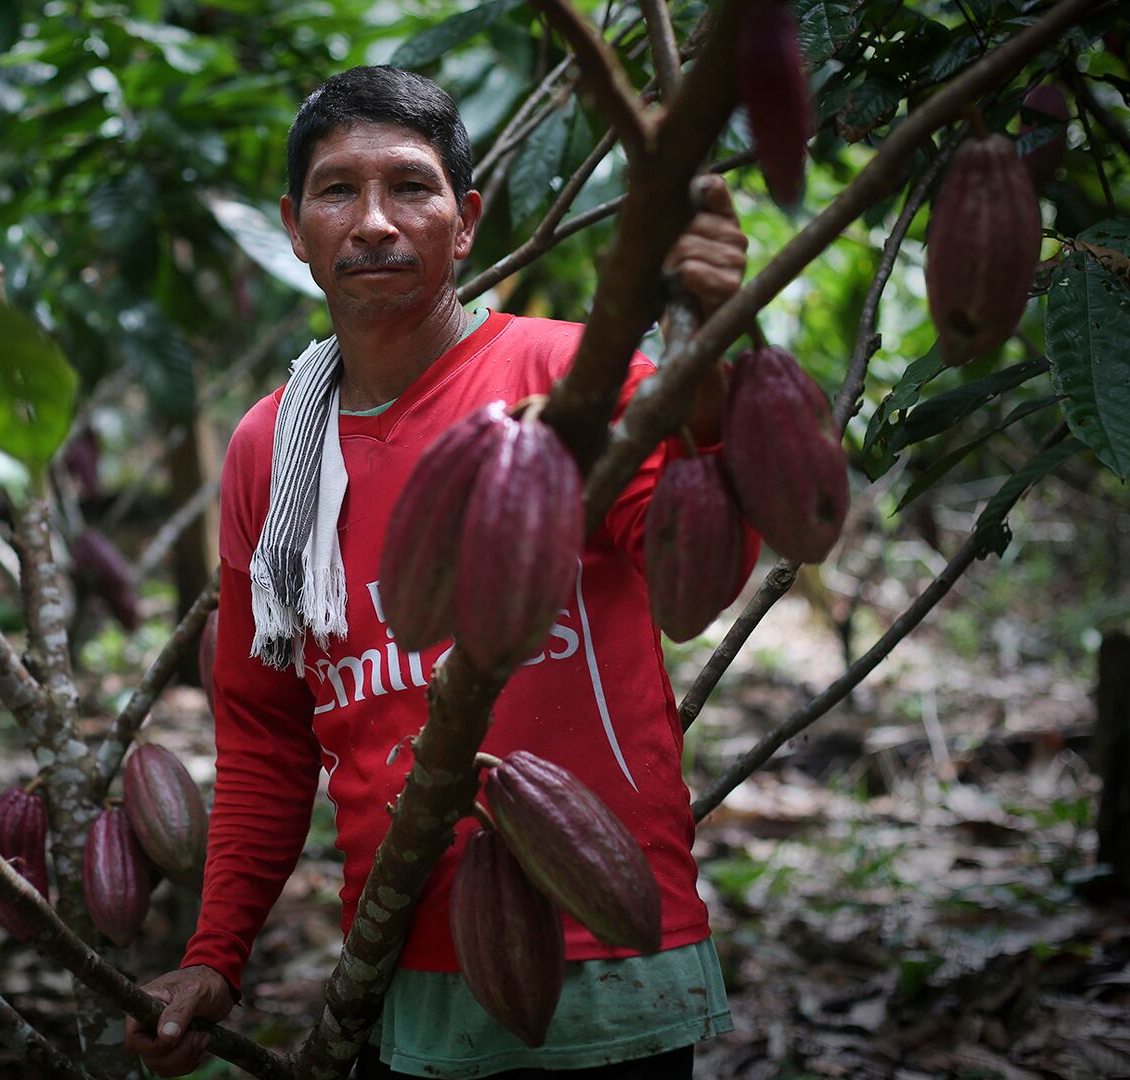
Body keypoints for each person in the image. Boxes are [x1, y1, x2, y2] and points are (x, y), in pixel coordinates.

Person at [125, 65, 759, 1079]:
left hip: (600, 937)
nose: (374, 221)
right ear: (294, 228)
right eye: (339, 190)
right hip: (397, 960)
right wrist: (215, 955)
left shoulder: (568, 377)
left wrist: (710, 371)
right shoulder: (269, 450)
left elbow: (695, 586)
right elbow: (265, 737)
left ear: (464, 223)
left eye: (411, 187)